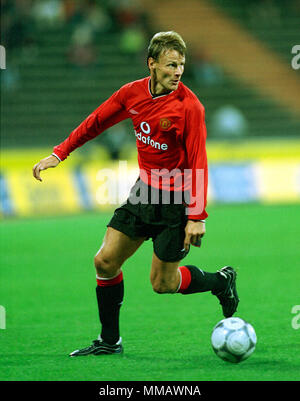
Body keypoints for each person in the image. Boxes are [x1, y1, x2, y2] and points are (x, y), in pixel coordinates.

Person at [32, 31, 239, 357]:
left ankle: (220, 281)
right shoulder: (132, 94)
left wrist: (197, 216)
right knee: (105, 260)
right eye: (171, 65)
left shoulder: (190, 108)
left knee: (163, 284)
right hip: (144, 192)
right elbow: (95, 122)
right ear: (152, 64)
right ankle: (110, 341)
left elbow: (199, 161)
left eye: (181, 65)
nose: (177, 72)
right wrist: (60, 153)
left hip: (176, 202)